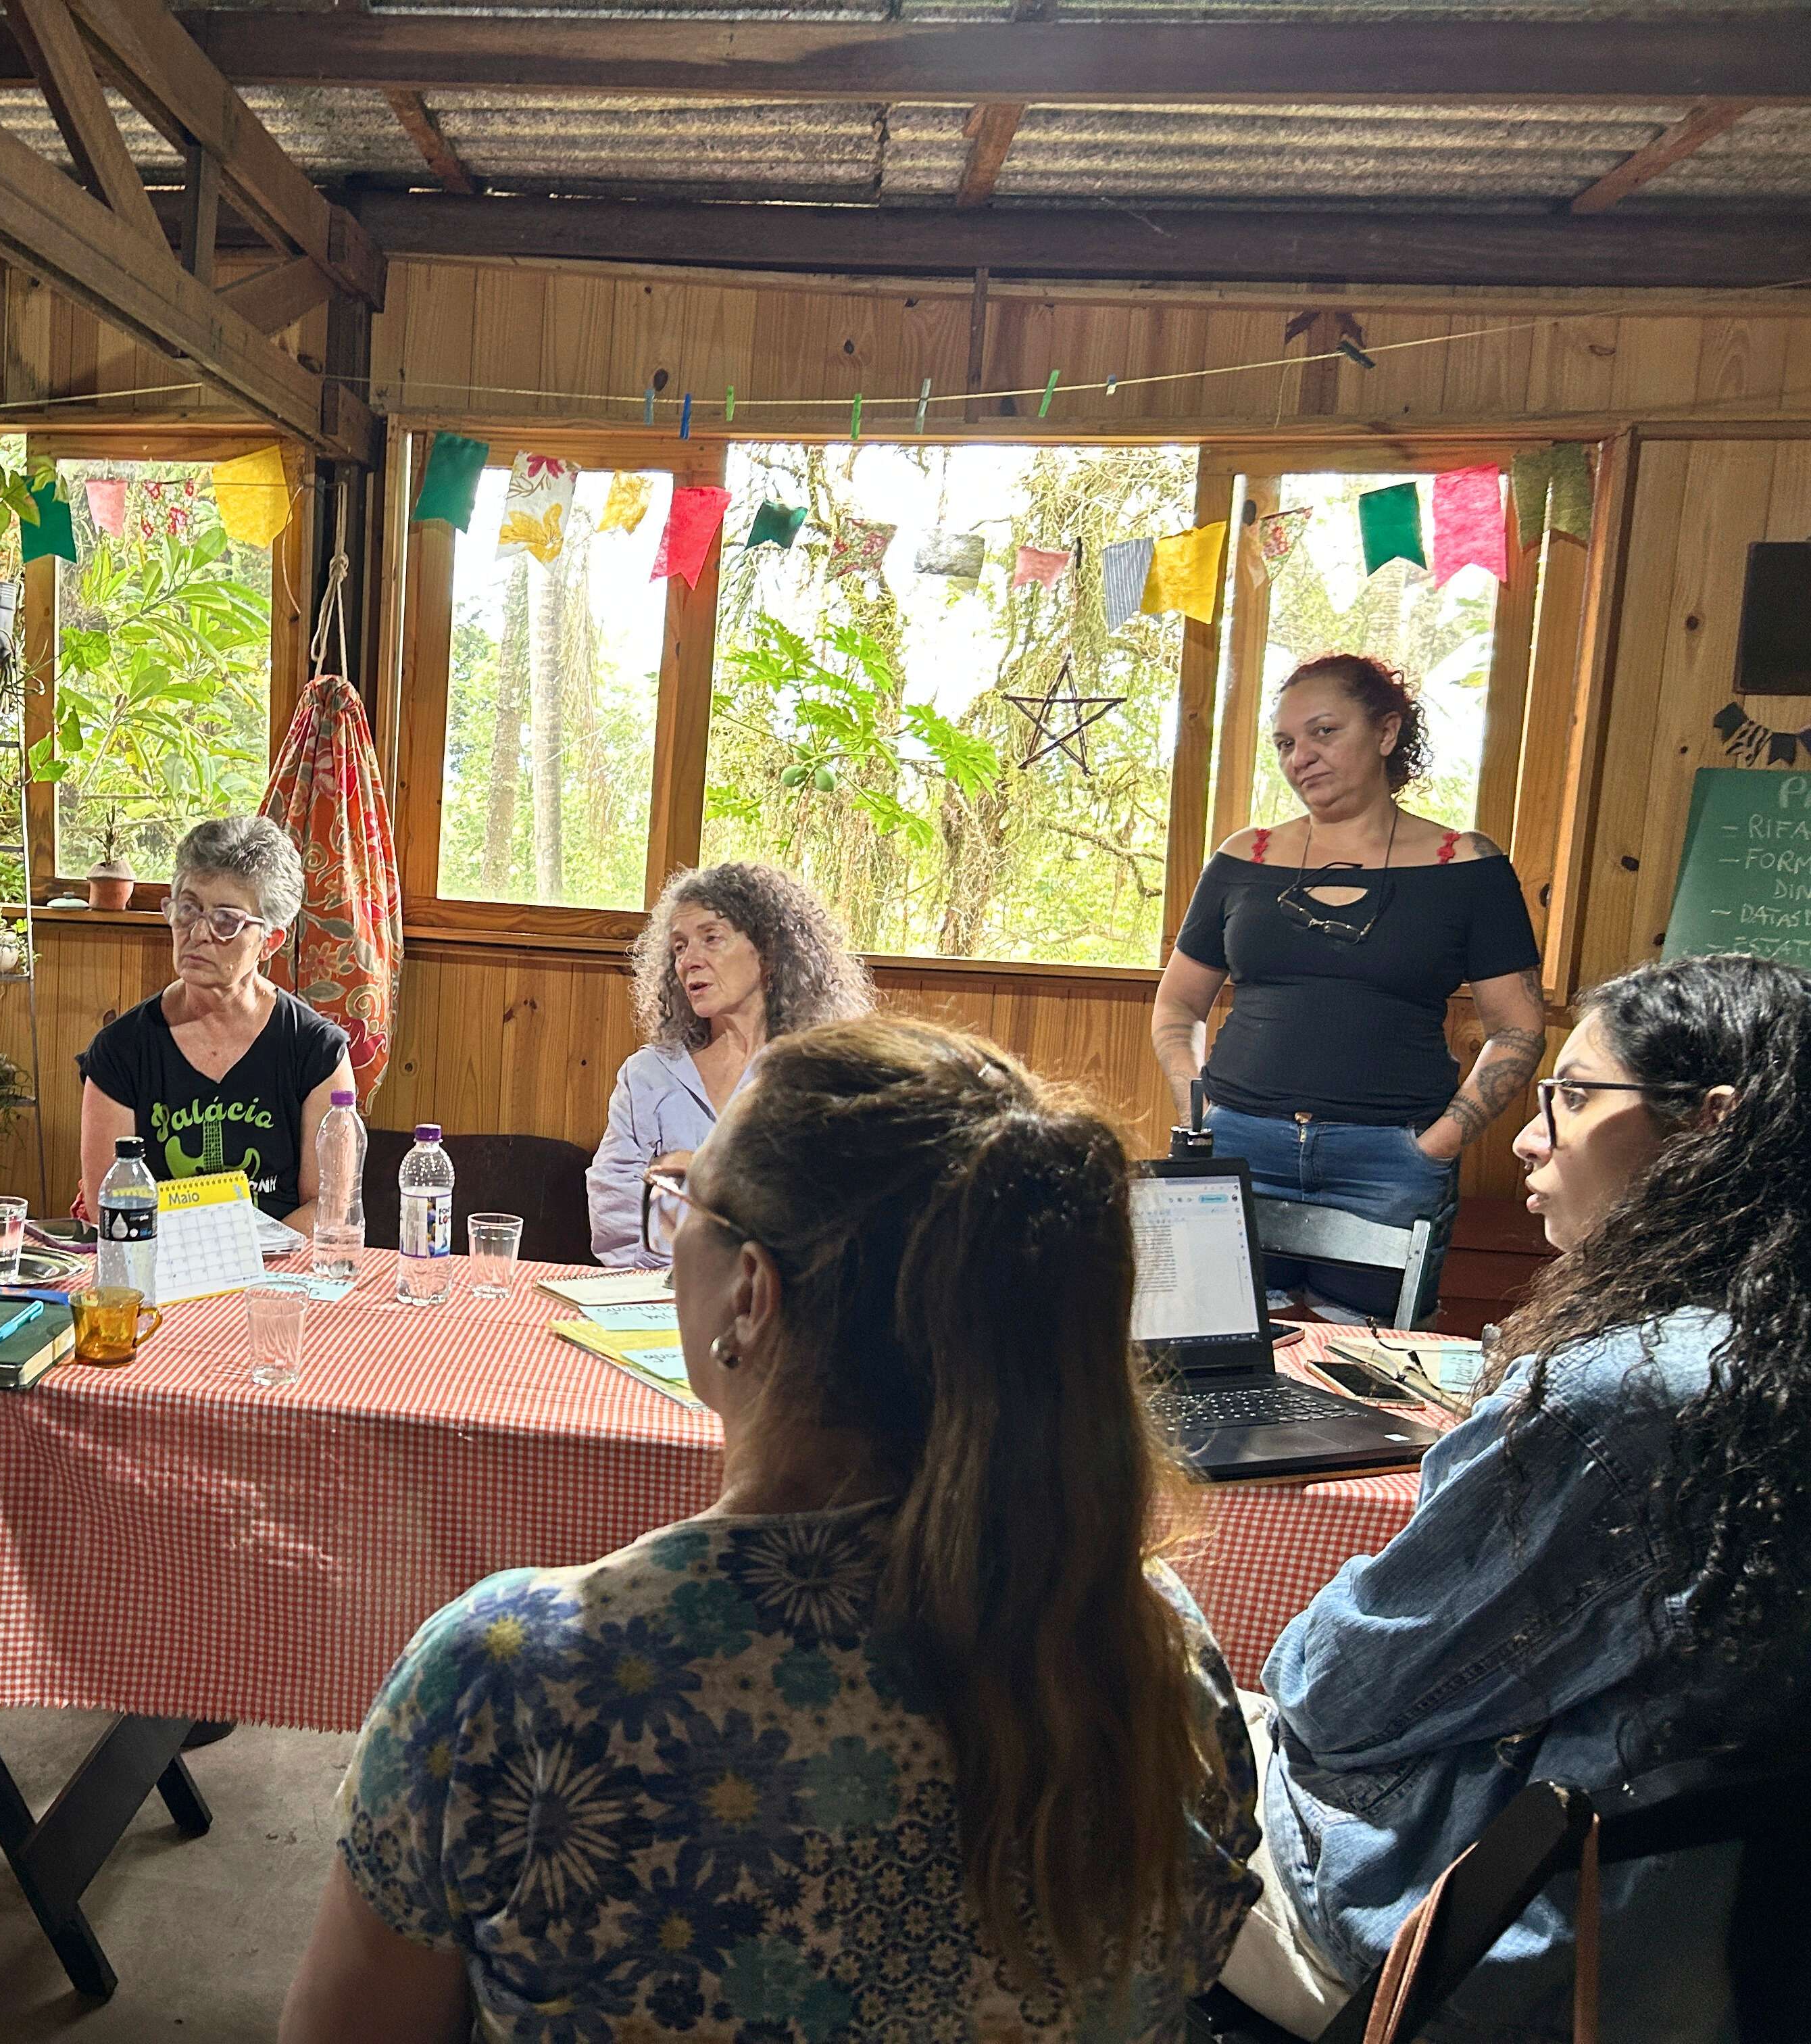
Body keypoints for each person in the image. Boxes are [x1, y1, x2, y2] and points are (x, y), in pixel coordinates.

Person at [284, 1016, 1262, 2043]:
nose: (667, 1262)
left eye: (682, 1211)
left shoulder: (513, 1679)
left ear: (750, 1293)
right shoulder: (1149, 1651)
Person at [1221, 950, 1810, 2042]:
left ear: (1707, 1126)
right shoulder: (1767, 1363)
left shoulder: (1618, 1397)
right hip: (1707, 1953)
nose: (1530, 1135)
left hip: (1484, 1959)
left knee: (1090, 1729)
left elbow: (1336, 1690)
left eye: (1575, 1095)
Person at [1151, 653, 1544, 1319]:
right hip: (1236, 1146)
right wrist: (1198, 1109)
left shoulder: (1469, 866)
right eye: (1285, 742)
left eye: (1324, 732)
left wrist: (1438, 1144)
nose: (1300, 755)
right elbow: (1178, 1003)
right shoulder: (1244, 857)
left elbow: (1520, 1027)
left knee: (1370, 1375)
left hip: (1390, 1161)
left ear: (1386, 734)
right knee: (1210, 1351)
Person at [587, 861, 874, 1267]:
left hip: (784, 1305)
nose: (689, 961)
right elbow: (614, 1218)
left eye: (712, 939)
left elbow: (824, 1218)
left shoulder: (821, 1075)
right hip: (652, 1300)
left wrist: (696, 1177)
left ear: (769, 953)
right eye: (680, 947)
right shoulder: (646, 1075)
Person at [78, 814, 354, 1227]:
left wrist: (237, 1263)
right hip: (159, 1263)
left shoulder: (315, 1050)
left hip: (279, 1271)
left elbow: (327, 1207)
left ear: (269, 941)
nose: (198, 932)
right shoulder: (121, 1049)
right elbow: (109, 1206)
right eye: (188, 909)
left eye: (227, 921)